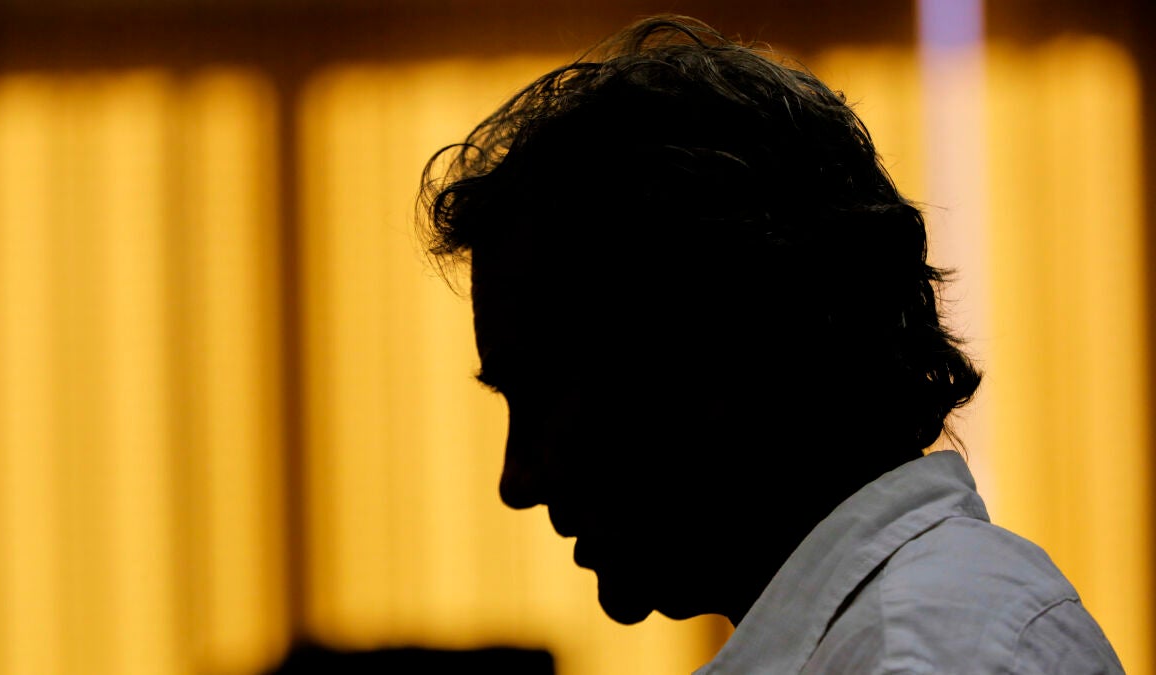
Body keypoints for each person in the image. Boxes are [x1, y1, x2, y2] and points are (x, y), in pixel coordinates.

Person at [417, 15, 1124, 673]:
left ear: (724, 349)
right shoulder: (906, 632)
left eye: (544, 393)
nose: (518, 480)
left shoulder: (918, 655)